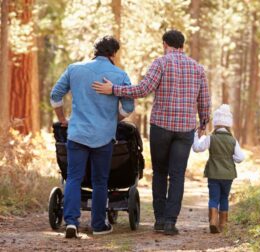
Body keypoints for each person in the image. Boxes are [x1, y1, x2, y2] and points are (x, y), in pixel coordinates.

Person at [92, 30, 211, 235]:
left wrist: (114, 90)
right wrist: (203, 124)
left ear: (165, 44)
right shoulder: (197, 68)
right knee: (177, 176)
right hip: (185, 129)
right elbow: (204, 100)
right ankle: (170, 222)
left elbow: (143, 90)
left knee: (160, 173)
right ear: (182, 45)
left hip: (161, 127)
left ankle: (160, 219)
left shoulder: (161, 63)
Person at [50, 35, 134, 238]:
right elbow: (129, 107)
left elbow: (55, 95)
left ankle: (71, 222)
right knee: (100, 181)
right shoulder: (120, 75)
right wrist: (112, 120)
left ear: (95, 50)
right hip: (104, 136)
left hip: (77, 133)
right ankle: (98, 225)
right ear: (114, 53)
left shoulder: (74, 69)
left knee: (73, 178)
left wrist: (63, 119)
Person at [192, 104, 245, 233]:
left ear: (216, 123)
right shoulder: (233, 140)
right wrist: (229, 159)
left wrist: (195, 135)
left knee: (214, 198)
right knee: (224, 198)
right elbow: (240, 157)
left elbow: (197, 148)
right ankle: (223, 224)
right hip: (228, 175)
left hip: (213, 174)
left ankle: (213, 221)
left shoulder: (211, 138)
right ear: (228, 125)